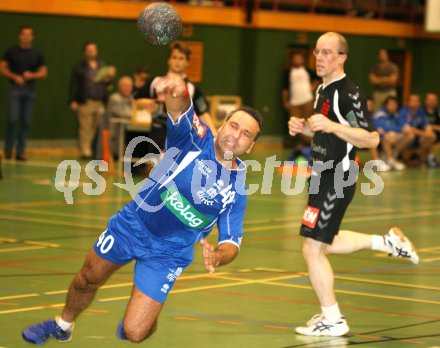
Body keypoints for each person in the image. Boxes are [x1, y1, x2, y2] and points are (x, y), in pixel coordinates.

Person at [21, 74, 264, 344]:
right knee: (87, 278)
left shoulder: (237, 189)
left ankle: (147, 306)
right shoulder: (196, 140)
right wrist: (176, 90)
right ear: (222, 125)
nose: (235, 136)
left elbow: (232, 242)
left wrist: (218, 256)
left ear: (250, 146)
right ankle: (63, 325)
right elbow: (181, 108)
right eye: (233, 126)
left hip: (169, 253)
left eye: (246, 134)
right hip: (133, 224)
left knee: (135, 332)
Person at [288, 32, 419, 337]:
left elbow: (371, 137)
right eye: (317, 52)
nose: (320, 58)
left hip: (338, 175)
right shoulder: (323, 88)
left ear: (342, 57)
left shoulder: (347, 94)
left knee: (312, 248)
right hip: (320, 174)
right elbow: (329, 134)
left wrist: (331, 125)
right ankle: (388, 243)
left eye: (327, 53)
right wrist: (305, 128)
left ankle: (333, 319)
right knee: (325, 241)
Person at [150, 42, 218, 137]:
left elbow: (203, 113)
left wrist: (214, 135)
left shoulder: (192, 89)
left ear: (187, 62)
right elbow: (138, 101)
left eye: (181, 58)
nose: (177, 61)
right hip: (157, 137)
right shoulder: (156, 83)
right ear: (168, 60)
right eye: (174, 57)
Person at [0, 25, 47, 161]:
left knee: (26, 121)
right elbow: (2, 68)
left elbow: (44, 72)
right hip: (14, 89)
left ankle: (21, 151)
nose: (26, 37)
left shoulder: (37, 54)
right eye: (24, 34)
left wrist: (32, 75)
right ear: (20, 36)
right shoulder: (11, 52)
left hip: (30, 91)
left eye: (29, 34)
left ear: (32, 37)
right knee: (13, 119)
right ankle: (8, 149)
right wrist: (14, 77)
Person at [69, 42, 116, 159]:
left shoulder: (102, 66)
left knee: (97, 127)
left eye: (93, 50)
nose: (91, 52)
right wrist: (73, 100)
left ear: (96, 51)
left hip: (100, 101)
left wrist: (110, 77)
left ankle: (95, 149)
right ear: (85, 52)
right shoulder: (79, 67)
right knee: (85, 127)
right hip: (86, 101)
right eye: (89, 50)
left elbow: (108, 84)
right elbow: (74, 84)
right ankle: (85, 150)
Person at [373, 96, 413, 170]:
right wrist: (397, 130)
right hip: (381, 139)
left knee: (410, 135)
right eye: (390, 104)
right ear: (386, 105)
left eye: (394, 104)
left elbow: (404, 127)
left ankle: (393, 156)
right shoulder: (380, 114)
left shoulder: (397, 115)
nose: (393, 106)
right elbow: (383, 127)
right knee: (388, 135)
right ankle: (389, 159)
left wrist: (402, 129)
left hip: (394, 137)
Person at [399, 94, 436, 167]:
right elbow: (408, 129)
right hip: (405, 138)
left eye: (416, 101)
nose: (414, 103)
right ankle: (399, 156)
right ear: (408, 103)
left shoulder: (420, 112)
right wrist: (424, 134)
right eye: (412, 101)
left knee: (432, 135)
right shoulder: (404, 112)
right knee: (410, 136)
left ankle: (420, 157)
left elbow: (427, 125)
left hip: (418, 138)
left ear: (419, 103)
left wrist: (428, 133)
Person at [107, 76, 134, 158]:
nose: (127, 88)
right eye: (124, 86)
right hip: (117, 134)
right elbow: (125, 114)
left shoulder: (132, 98)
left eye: (129, 86)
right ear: (119, 87)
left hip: (130, 131)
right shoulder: (114, 98)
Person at [423, 92, 440, 167]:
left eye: (434, 100)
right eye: (430, 100)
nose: (432, 102)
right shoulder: (421, 112)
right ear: (425, 101)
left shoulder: (438, 113)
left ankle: (432, 158)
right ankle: (430, 158)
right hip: (424, 136)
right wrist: (432, 127)